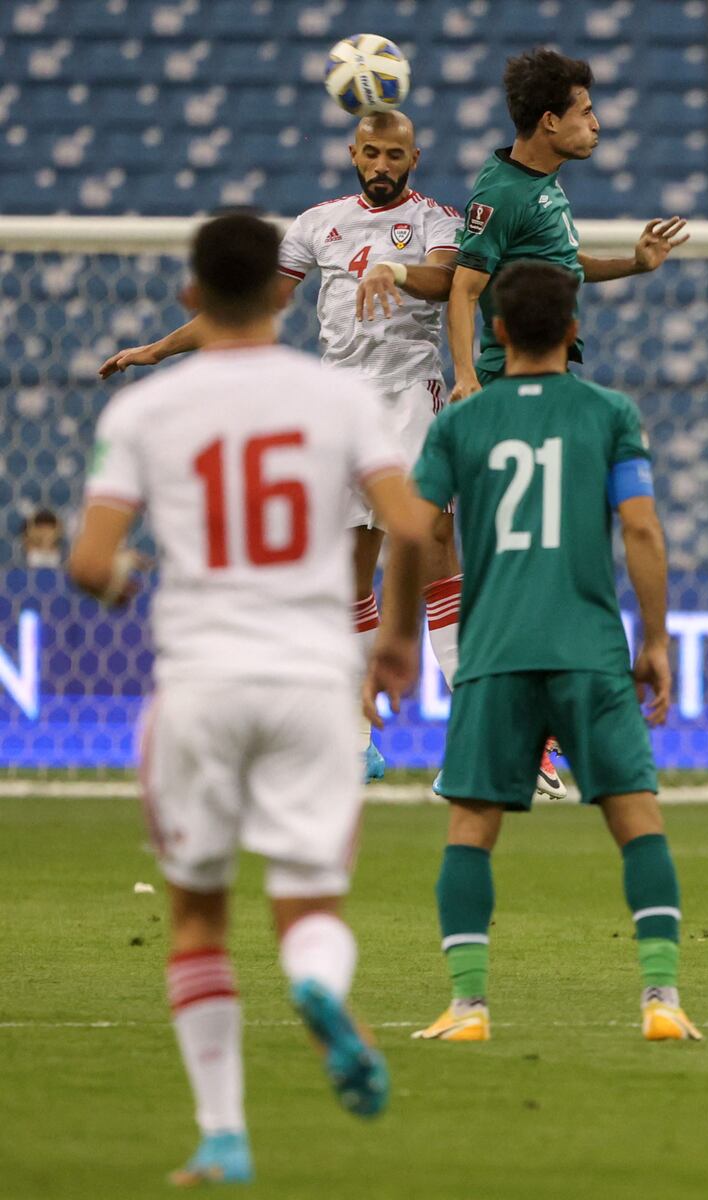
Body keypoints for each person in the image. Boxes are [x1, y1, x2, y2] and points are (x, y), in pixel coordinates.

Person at [71, 213, 426, 1186]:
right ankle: (316, 986)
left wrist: (123, 578)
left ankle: (223, 1136)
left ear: (189, 297)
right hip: (314, 680)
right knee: (309, 896)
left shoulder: (143, 416)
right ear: (285, 292)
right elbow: (409, 526)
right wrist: (394, 641)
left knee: (196, 918)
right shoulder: (339, 400)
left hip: (200, 680)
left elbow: (91, 560)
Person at [97, 111, 566, 799]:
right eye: (371, 153)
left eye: (394, 154)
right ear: (353, 154)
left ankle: (493, 735)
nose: (382, 165)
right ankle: (353, 744)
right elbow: (255, 304)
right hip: (340, 407)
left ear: (413, 156)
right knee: (349, 576)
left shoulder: (437, 221)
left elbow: (448, 282)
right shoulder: (317, 223)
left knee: (436, 548)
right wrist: (156, 349)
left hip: (410, 395)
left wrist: (394, 269)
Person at [366, 259, 702, 1045]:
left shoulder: (459, 425)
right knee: (637, 819)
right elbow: (644, 530)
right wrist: (653, 638)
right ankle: (661, 999)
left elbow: (415, 531)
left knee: (472, 827)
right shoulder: (609, 412)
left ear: (498, 330)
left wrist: (394, 642)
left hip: (493, 652)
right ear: (574, 330)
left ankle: (469, 1007)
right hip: (589, 649)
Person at [447, 47, 690, 398]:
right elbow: (464, 289)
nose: (596, 124)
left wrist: (635, 265)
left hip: (545, 369)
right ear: (550, 121)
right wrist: (466, 376)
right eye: (586, 112)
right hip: (510, 374)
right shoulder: (502, 196)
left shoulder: (541, 178)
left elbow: (560, 262)